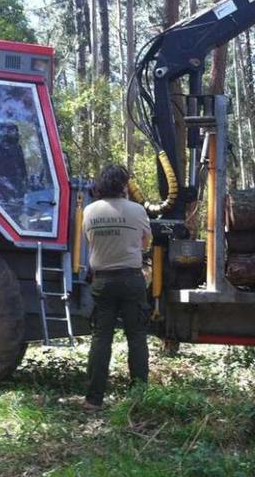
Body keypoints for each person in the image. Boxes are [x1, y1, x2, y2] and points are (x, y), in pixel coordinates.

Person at [83, 165, 152, 410]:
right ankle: (139, 397)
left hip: (102, 281)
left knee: (101, 338)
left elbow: (89, 241)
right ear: (124, 185)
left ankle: (93, 400)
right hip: (132, 280)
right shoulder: (137, 210)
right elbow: (145, 244)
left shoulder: (89, 211)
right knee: (136, 337)